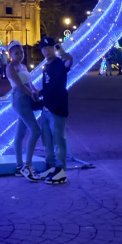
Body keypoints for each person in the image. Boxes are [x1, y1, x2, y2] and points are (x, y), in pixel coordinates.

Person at [35, 37, 73, 185]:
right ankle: (51, 166)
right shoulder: (46, 66)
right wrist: (39, 93)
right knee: (47, 141)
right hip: (46, 107)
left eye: (49, 48)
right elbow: (49, 85)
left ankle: (61, 170)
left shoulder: (60, 63)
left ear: (54, 49)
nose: (46, 51)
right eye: (44, 49)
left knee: (58, 140)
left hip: (58, 107)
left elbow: (70, 60)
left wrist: (62, 52)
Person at [6, 40, 41, 182]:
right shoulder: (10, 67)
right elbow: (19, 85)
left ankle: (19, 166)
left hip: (26, 97)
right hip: (19, 98)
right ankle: (27, 165)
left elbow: (29, 83)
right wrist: (31, 94)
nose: (20, 55)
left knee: (20, 133)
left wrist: (35, 91)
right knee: (36, 130)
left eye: (21, 52)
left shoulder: (23, 66)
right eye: (16, 53)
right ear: (10, 54)